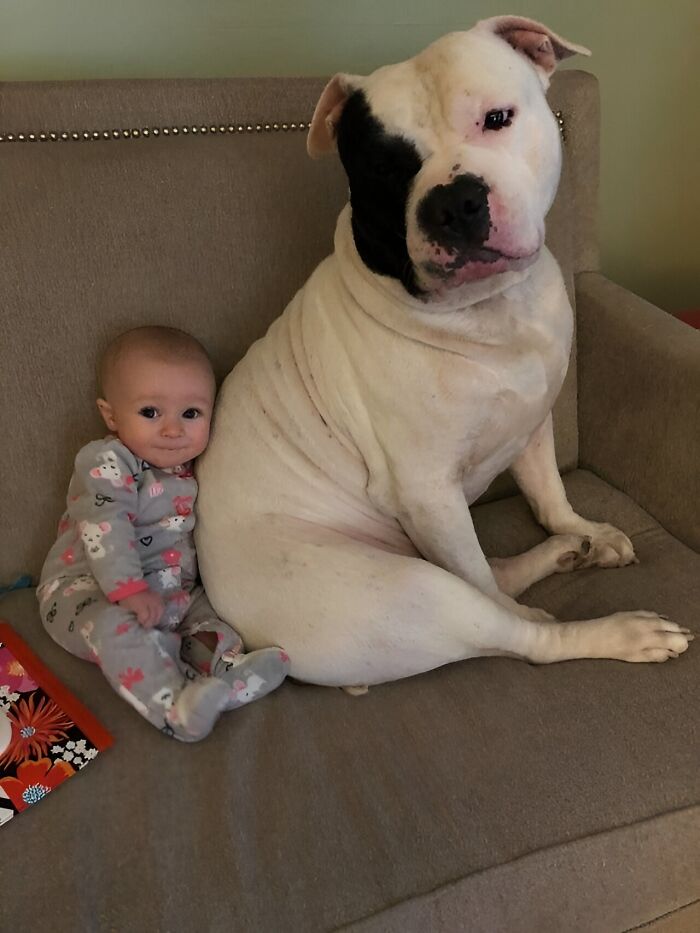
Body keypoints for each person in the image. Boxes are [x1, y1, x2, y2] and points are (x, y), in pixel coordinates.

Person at [37, 325, 289, 741]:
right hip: (85, 590)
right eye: (151, 412)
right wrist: (128, 588)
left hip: (173, 592)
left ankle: (226, 677)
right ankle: (172, 709)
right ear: (111, 415)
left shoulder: (190, 468)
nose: (173, 430)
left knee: (207, 622)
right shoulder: (107, 460)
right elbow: (106, 523)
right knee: (114, 628)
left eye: (191, 414)